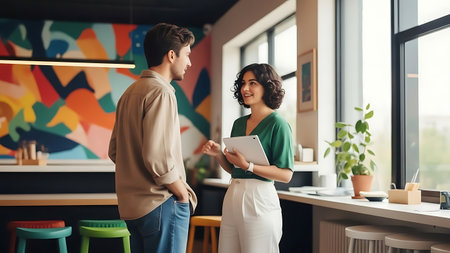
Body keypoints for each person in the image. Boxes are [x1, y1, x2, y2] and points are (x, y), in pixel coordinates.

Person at [108, 23, 197, 253]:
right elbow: (157, 157)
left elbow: (115, 151)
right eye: (186, 54)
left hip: (132, 209)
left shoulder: (129, 93)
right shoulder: (162, 92)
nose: (189, 62)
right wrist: (181, 193)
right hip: (161, 204)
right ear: (171, 55)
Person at [202, 63, 294, 253]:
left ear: (267, 87)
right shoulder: (238, 124)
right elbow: (235, 169)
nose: (245, 88)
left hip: (259, 200)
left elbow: (286, 174)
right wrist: (219, 154)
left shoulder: (278, 124)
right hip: (233, 197)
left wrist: (249, 165)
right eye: (243, 83)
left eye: (253, 83)